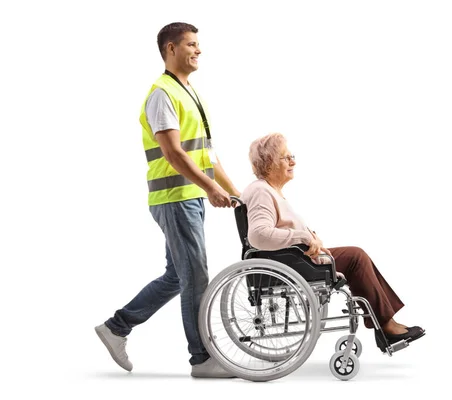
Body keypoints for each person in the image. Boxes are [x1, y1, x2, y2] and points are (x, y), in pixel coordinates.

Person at [95, 22, 239, 378]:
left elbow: (207, 154)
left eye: (198, 44)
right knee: (195, 277)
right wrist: (210, 188)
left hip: (188, 197)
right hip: (176, 197)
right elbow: (174, 154)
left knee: (178, 276)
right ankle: (202, 359)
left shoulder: (189, 92)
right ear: (170, 49)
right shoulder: (162, 93)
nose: (198, 50)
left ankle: (117, 327)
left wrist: (234, 192)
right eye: (191, 44)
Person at [241, 133, 425, 351]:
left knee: (357, 256)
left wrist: (310, 237)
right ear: (269, 163)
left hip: (294, 259)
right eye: (285, 157)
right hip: (288, 264)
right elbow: (259, 235)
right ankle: (386, 326)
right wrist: (304, 237)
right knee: (356, 257)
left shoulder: (269, 191)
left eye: (291, 156)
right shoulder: (261, 191)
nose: (293, 161)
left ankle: (385, 324)